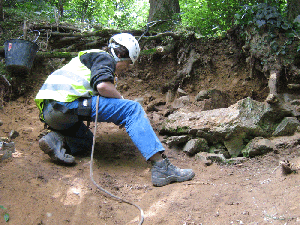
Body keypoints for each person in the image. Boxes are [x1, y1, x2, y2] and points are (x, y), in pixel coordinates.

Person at [35, 33, 195, 187]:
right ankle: (162, 167)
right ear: (120, 55)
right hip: (67, 105)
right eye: (126, 65)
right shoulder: (105, 57)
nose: (123, 70)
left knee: (87, 142)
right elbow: (103, 86)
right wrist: (122, 103)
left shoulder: (87, 58)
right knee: (132, 109)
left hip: (51, 112)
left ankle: (57, 139)